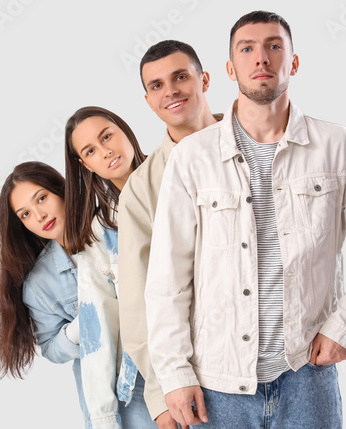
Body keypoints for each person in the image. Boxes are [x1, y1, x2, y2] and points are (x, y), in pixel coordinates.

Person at [145, 11, 346, 428]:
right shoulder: (193, 157)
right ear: (231, 69)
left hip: (307, 376)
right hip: (218, 386)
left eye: (273, 46)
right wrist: (174, 374)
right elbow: (167, 277)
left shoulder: (336, 145)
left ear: (293, 62)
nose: (260, 58)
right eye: (246, 49)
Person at [117, 40, 221, 429]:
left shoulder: (261, 144)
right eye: (157, 85)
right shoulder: (142, 189)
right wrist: (161, 393)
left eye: (180, 77)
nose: (170, 91)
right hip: (201, 381)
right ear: (148, 100)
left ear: (204, 79)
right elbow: (137, 298)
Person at [63, 106, 156, 428]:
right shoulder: (98, 234)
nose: (105, 152)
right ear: (84, 164)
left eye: (107, 136)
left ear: (124, 130)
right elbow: (97, 324)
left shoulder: (178, 177)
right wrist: (104, 416)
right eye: (91, 150)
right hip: (146, 376)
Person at [0, 161, 94, 427]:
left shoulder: (112, 228)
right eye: (25, 214)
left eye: (42, 198)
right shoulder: (39, 284)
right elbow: (50, 348)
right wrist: (82, 327)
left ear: (61, 190)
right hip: (110, 395)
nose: (39, 216)